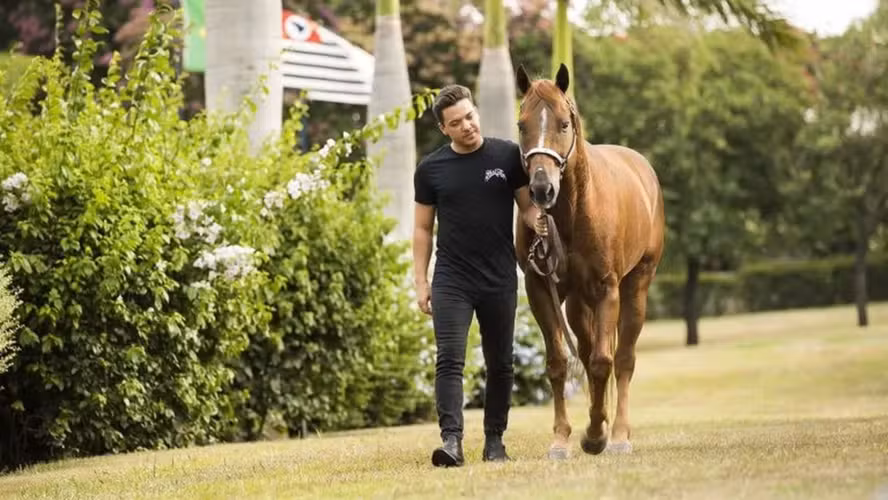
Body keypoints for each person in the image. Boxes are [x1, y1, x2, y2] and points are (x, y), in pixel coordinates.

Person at [413, 84, 544, 467]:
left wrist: (541, 223)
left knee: (501, 362)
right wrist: (421, 282)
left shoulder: (506, 155)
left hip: (499, 277)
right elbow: (422, 229)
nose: (467, 126)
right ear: (444, 129)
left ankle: (494, 442)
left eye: (470, 116)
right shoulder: (431, 169)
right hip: (452, 279)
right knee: (450, 359)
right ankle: (451, 442)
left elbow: (528, 209)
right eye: (457, 123)